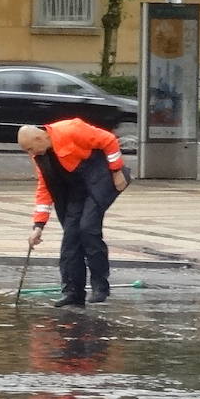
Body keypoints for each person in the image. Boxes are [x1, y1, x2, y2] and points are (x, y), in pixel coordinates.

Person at [19, 119, 130, 307]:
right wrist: (38, 226)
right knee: (71, 237)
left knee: (88, 229)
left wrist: (116, 170)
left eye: (30, 149)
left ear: (39, 137)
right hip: (77, 189)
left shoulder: (71, 129)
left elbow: (109, 140)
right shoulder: (40, 155)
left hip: (101, 179)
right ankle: (73, 292)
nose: (31, 154)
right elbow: (44, 187)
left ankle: (100, 287)